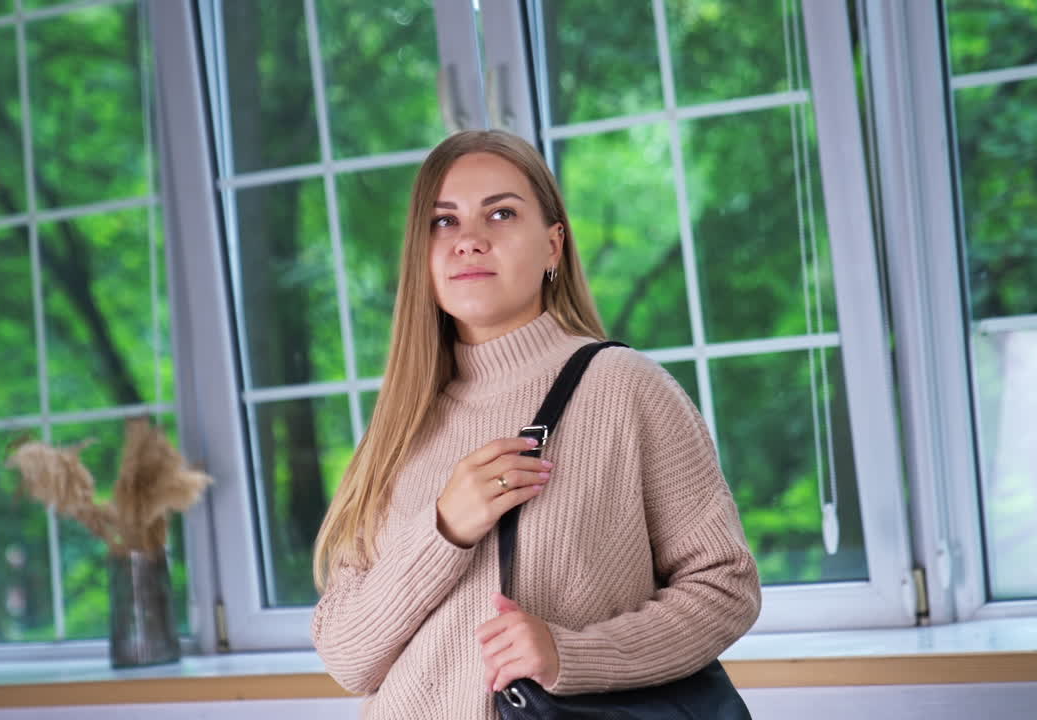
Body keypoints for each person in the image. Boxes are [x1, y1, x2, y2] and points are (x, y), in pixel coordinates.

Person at [311, 129, 761, 719]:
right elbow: (348, 659)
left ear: (553, 246)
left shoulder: (625, 388)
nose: (468, 241)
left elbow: (725, 587)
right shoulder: (399, 428)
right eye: (443, 222)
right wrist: (444, 528)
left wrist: (571, 654)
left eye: (500, 213)